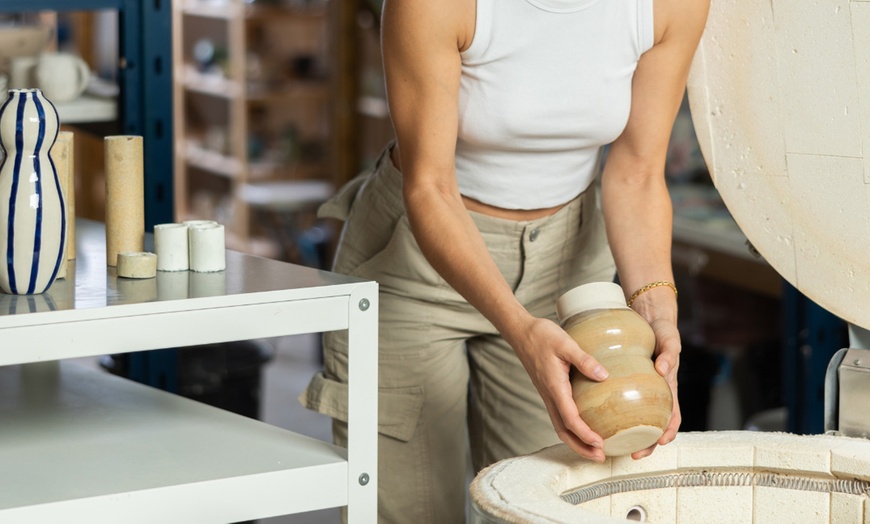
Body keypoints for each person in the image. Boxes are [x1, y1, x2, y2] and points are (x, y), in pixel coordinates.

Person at [302, 0, 709, 520]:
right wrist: (521, 328)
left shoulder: (671, 6)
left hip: (567, 269)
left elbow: (636, 173)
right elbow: (429, 187)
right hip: (416, 260)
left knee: (546, 502)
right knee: (409, 511)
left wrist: (656, 314)